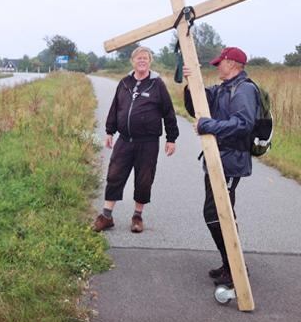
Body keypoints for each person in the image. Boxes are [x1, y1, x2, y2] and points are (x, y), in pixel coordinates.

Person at [182, 47, 259, 287]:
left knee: (216, 213)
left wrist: (209, 126)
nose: (217, 67)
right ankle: (230, 264)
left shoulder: (244, 89)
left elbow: (243, 124)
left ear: (233, 64)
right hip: (217, 159)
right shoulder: (222, 88)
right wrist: (190, 83)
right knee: (221, 213)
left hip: (231, 160)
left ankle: (235, 268)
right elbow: (197, 106)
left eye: (220, 63)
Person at [94, 47, 179, 233]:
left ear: (150, 62)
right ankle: (106, 216)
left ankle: (137, 217)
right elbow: (115, 108)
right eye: (139, 58)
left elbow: (168, 113)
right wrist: (109, 131)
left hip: (147, 142)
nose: (142, 61)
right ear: (132, 61)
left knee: (144, 179)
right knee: (115, 175)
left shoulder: (157, 85)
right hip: (124, 140)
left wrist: (171, 138)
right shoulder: (124, 83)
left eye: (145, 58)